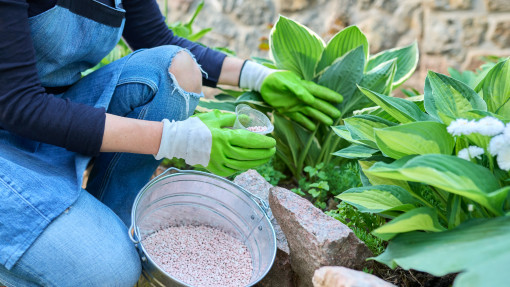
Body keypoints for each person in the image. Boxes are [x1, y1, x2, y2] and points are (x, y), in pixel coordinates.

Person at [0, 0, 343, 285]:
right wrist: (179, 139)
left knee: (173, 69)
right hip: (14, 126)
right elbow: (18, 105)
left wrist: (258, 76)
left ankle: (108, 221)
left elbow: (156, 37)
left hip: (48, 120)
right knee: (112, 272)